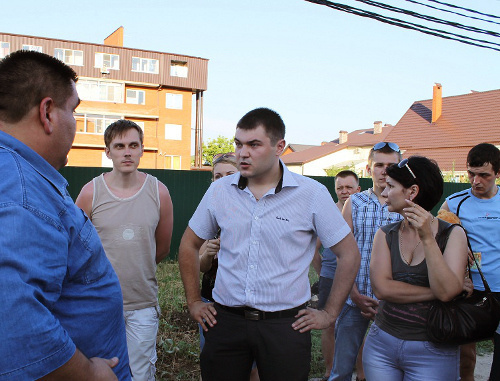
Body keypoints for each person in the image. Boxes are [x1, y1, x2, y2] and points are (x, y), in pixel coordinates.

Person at [178, 107, 361, 381]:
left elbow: (349, 255)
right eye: (238, 144)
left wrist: (329, 313)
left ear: (279, 147)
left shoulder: (311, 194)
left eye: (254, 144)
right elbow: (188, 244)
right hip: (225, 321)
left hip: (285, 326)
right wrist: (194, 301)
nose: (243, 152)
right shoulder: (220, 191)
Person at [0, 50, 130, 380]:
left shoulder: (18, 176)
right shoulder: (21, 188)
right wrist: (88, 373)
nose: (74, 122)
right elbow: (13, 315)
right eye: (73, 110)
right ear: (47, 113)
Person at [76, 119, 173, 381]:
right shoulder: (90, 193)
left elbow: (161, 248)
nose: (127, 152)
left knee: (141, 374)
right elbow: (77, 249)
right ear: (108, 152)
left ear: (142, 149)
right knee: (104, 371)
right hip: (102, 303)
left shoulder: (159, 192)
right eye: (119, 146)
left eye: (133, 145)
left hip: (142, 303)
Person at [363, 156, 468, 380]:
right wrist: (436, 293)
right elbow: (382, 289)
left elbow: (447, 292)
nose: (383, 193)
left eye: (390, 186)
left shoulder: (453, 234)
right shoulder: (386, 233)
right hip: (381, 346)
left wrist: (428, 239)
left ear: (412, 192)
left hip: (434, 351)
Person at [330, 142, 403, 381]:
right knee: (342, 367)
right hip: (355, 300)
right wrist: (353, 294)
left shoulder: (407, 205)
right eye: (379, 165)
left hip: (394, 303)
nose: (384, 170)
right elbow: (342, 254)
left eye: (391, 165)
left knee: (390, 369)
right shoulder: (355, 203)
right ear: (368, 168)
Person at [440, 143, 500, 381]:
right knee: (465, 356)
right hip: (469, 290)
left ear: (497, 173)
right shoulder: (454, 202)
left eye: (483, 175)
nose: (476, 181)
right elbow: (437, 242)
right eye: (471, 174)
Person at [198, 152, 260, 381]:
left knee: (253, 366)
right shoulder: (210, 211)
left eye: (230, 174)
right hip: (211, 303)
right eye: (217, 176)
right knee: (214, 361)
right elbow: (201, 266)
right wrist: (208, 254)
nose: (223, 180)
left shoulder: (255, 210)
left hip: (245, 304)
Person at [311, 170, 360, 381]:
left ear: (358, 189)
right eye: (340, 187)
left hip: (357, 277)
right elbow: (313, 248)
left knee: (357, 325)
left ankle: (362, 373)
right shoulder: (327, 213)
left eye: (349, 187)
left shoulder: (363, 211)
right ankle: (329, 371)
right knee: (328, 324)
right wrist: (323, 273)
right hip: (331, 277)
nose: (344, 191)